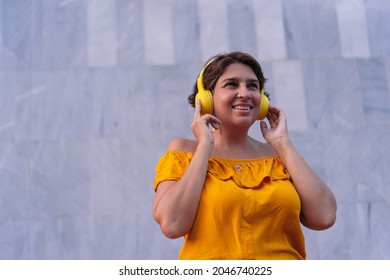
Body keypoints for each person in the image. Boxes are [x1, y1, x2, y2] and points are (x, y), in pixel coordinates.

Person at [152, 51, 337, 260]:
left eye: (252, 86)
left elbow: (325, 217)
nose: (245, 93)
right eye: (232, 84)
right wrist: (205, 146)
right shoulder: (184, 152)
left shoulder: (280, 156)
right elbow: (172, 224)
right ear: (206, 99)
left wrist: (282, 143)